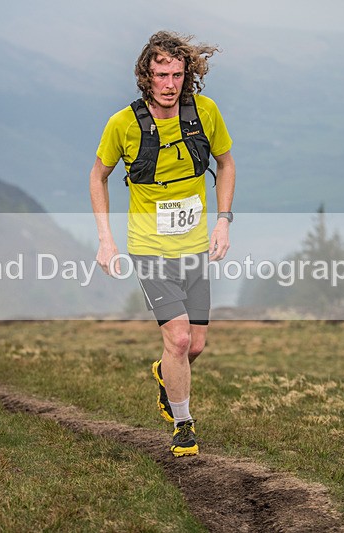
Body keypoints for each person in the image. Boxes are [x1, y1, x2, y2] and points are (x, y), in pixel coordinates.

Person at [90, 31, 236, 457]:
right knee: (177, 339)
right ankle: (183, 424)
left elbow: (226, 164)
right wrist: (106, 239)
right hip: (150, 248)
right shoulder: (123, 124)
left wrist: (223, 221)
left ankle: (164, 375)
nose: (169, 83)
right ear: (145, 76)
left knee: (196, 345)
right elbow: (97, 177)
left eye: (176, 74)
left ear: (186, 74)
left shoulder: (205, 112)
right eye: (160, 75)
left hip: (194, 247)